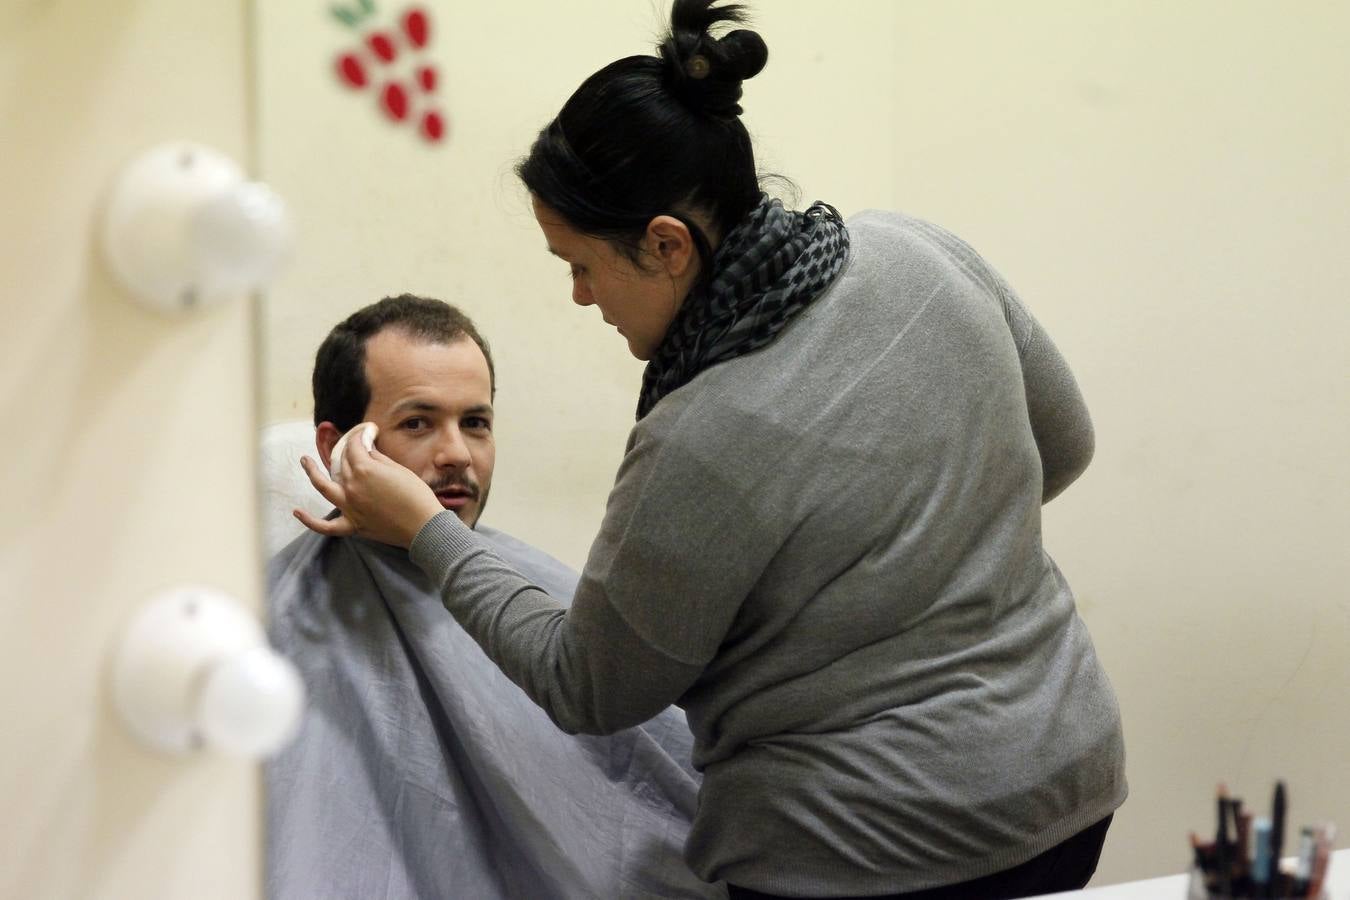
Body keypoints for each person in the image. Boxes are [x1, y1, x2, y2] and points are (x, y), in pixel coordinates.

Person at [297, 2, 1128, 897]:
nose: (580, 297)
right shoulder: (918, 251)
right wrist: (908, 564)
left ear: (666, 246)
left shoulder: (705, 436)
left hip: (872, 849)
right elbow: (1065, 445)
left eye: (580, 264)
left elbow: (591, 689)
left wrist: (426, 529)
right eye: (419, 423)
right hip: (1069, 781)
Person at [271, 294, 722, 900]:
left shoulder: (541, 591)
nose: (457, 452)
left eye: (475, 422)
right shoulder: (265, 623)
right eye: (418, 422)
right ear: (338, 447)